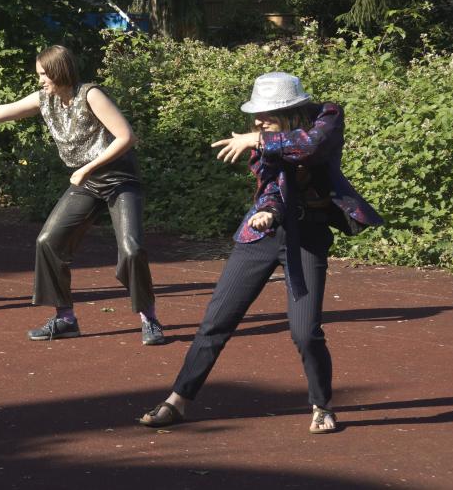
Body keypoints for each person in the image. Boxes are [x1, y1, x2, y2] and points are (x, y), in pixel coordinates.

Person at [138, 72, 383, 433]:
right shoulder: (263, 141)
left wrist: (258, 139)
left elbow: (311, 146)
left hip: (308, 235)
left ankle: (322, 405)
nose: (256, 123)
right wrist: (269, 210)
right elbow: (269, 184)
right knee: (216, 322)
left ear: (289, 111)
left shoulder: (327, 116)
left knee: (305, 332)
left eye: (265, 115)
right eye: (256, 117)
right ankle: (178, 401)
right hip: (262, 234)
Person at [0, 45, 164, 345]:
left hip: (119, 179)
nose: (40, 80)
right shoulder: (45, 99)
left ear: (59, 71)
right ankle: (65, 319)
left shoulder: (90, 94)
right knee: (48, 242)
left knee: (132, 250)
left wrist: (87, 169)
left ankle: (149, 318)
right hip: (86, 182)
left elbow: (126, 137)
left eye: (44, 74)